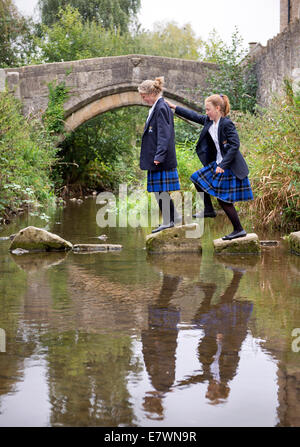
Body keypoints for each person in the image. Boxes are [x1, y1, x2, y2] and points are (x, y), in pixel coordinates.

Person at [166, 94, 253, 240]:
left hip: (228, 165)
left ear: (217, 108)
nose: (206, 113)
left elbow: (235, 145)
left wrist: (223, 165)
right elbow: (194, 116)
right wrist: (175, 107)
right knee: (196, 178)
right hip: (217, 163)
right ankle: (208, 210)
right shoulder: (209, 121)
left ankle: (238, 229)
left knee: (224, 200)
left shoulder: (226, 123)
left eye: (208, 109)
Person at [138, 77, 181, 233]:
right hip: (156, 156)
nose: (143, 100)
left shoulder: (161, 107)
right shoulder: (158, 106)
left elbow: (164, 134)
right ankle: (173, 218)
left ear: (151, 93)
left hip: (160, 157)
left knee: (161, 190)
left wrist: (159, 156)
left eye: (144, 96)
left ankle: (169, 221)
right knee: (158, 190)